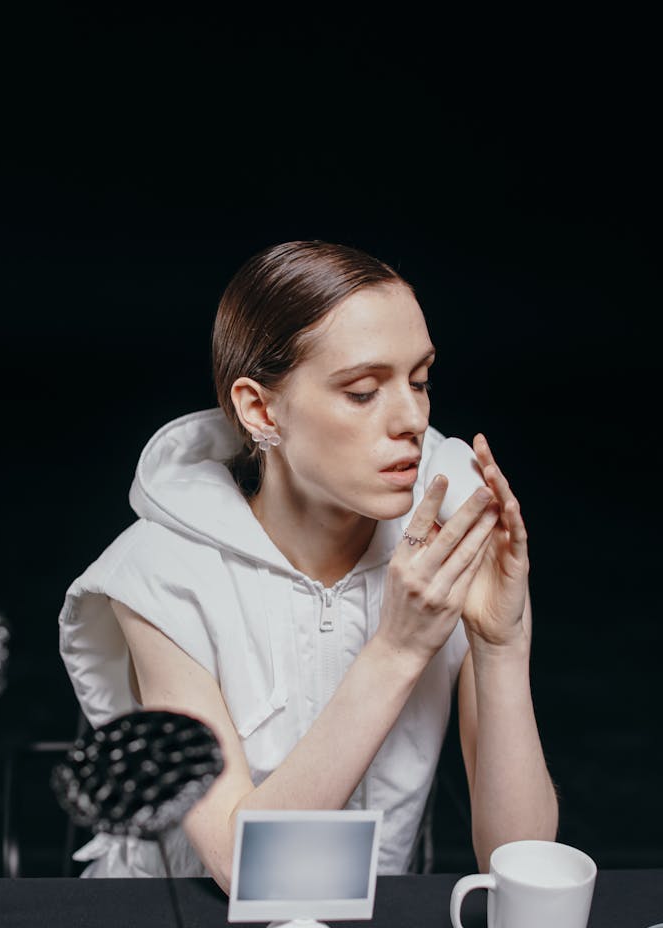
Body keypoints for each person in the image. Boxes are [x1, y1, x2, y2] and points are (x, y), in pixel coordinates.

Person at [59, 239, 558, 891]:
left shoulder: (439, 547)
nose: (412, 418)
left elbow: (517, 865)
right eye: (362, 391)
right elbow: (243, 865)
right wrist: (399, 648)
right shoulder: (158, 574)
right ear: (261, 410)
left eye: (421, 380)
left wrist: (501, 642)